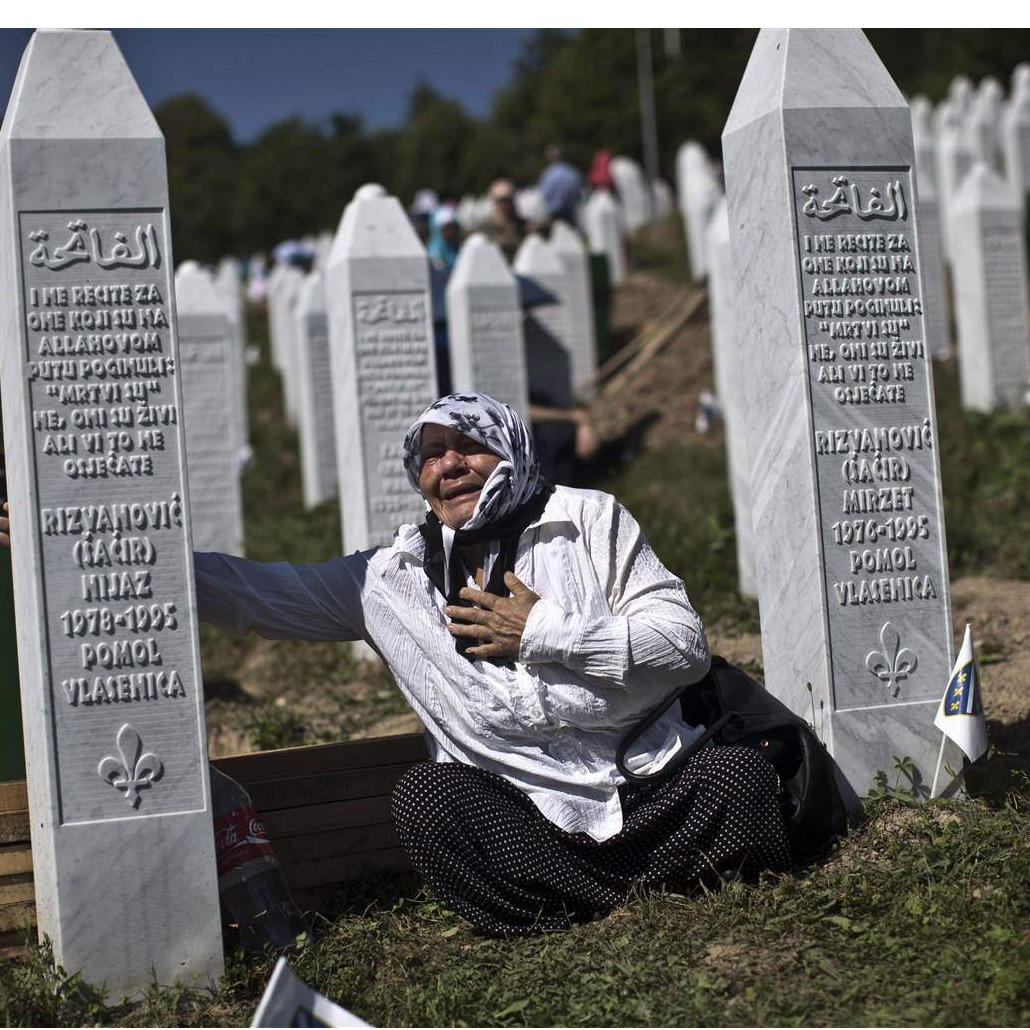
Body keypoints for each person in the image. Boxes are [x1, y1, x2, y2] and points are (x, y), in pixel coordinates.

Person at [0, 394, 789, 934]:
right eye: (430, 456)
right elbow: (255, 595)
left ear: (508, 445)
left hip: (646, 782)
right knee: (426, 801)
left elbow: (683, 645)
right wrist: (77, 547)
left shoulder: (589, 521)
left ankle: (618, 891)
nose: (447, 467)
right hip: (527, 814)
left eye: (467, 447)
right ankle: (611, 899)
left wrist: (543, 630)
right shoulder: (390, 579)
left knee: (740, 782)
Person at [479, 178, 527, 261]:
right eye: (502, 201)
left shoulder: (523, 225)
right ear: (495, 201)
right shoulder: (485, 227)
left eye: (509, 199)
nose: (506, 204)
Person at [538, 144, 584, 226]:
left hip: (554, 214)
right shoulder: (573, 173)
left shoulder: (547, 174)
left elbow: (545, 195)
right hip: (571, 214)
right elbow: (578, 194)